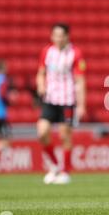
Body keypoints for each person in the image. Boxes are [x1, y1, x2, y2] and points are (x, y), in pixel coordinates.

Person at [37, 23, 87, 184]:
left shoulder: (75, 53)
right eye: (55, 35)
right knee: (42, 132)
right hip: (50, 99)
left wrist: (81, 105)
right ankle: (54, 166)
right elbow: (41, 72)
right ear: (52, 36)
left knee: (65, 136)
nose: (58, 38)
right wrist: (40, 85)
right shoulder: (47, 52)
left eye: (61, 35)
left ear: (67, 36)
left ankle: (65, 172)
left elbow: (80, 79)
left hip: (67, 100)